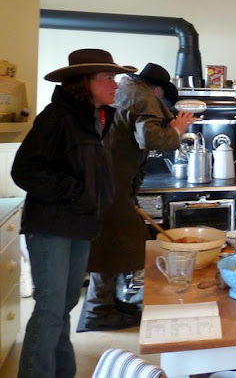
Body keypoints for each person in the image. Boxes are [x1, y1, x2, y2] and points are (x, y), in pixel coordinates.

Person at [11, 49, 137, 378]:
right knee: (51, 311)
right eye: (108, 78)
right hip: (52, 226)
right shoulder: (58, 117)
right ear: (85, 82)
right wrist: (77, 193)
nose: (116, 84)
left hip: (80, 225)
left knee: (64, 307)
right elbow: (25, 170)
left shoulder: (95, 119)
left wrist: (95, 198)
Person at [84, 63, 197, 330]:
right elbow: (149, 138)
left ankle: (109, 302)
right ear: (157, 91)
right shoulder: (143, 97)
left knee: (114, 242)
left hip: (106, 180)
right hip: (111, 183)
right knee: (114, 242)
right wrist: (178, 129)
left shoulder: (126, 92)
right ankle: (98, 311)